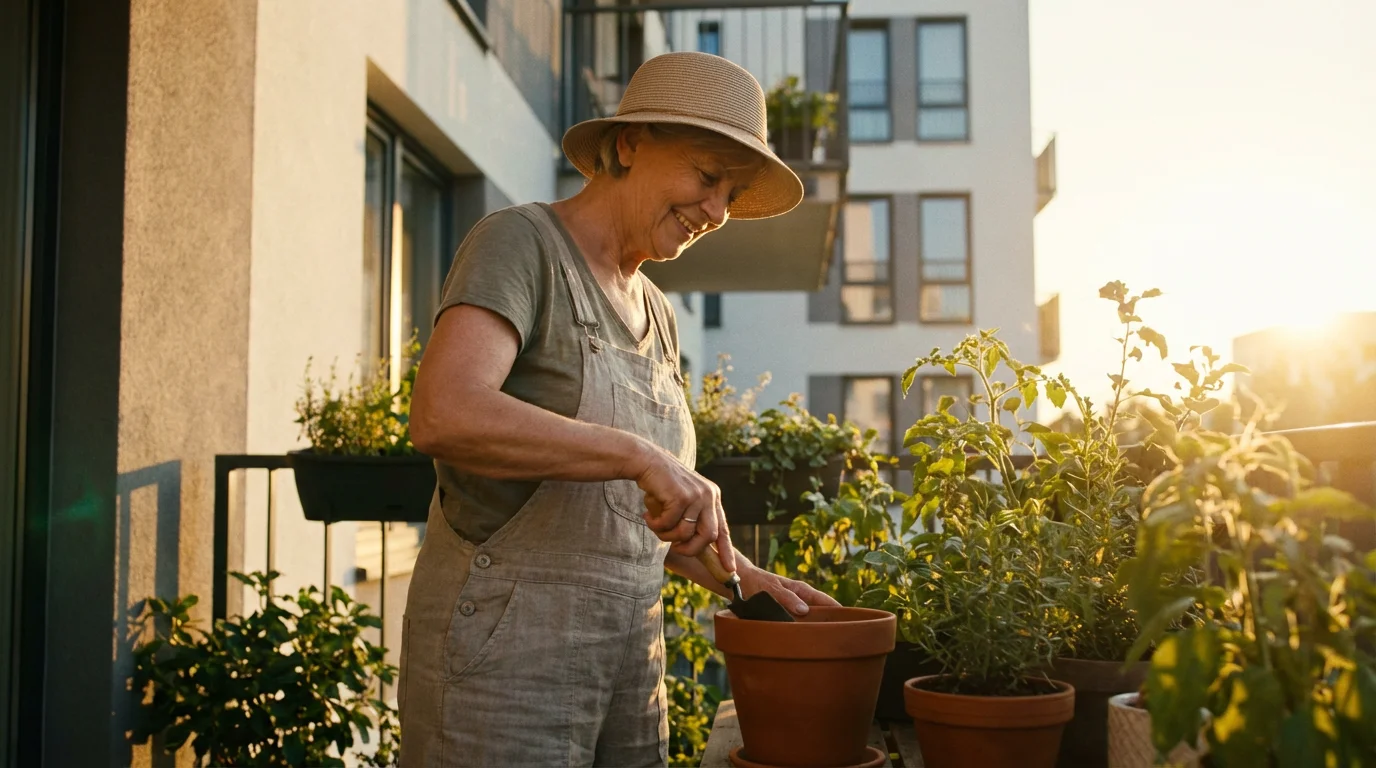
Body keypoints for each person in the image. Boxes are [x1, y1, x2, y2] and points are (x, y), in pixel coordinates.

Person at [398, 51, 838, 767]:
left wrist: (743, 579)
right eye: (706, 176)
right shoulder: (521, 244)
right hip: (506, 664)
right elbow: (445, 412)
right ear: (629, 144)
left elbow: (629, 524)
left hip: (632, 670)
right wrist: (641, 453)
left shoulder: (659, 314)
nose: (718, 212)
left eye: (730, 191)